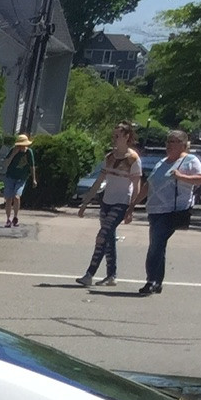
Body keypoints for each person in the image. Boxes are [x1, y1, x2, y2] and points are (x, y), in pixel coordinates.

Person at [138, 129, 201, 295]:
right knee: (158, 246)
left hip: (172, 211)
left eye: (174, 141)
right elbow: (149, 184)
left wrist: (181, 176)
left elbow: (200, 179)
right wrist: (132, 205)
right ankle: (157, 282)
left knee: (156, 245)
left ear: (183, 144)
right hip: (155, 210)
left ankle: (151, 280)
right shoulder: (162, 162)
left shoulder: (190, 160)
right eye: (168, 141)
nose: (169, 145)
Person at [76, 122, 143, 287]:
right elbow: (99, 182)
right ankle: (111, 275)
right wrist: (85, 203)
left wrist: (131, 208)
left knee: (102, 236)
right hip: (106, 201)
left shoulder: (133, 159)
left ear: (127, 137)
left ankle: (89, 274)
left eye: (118, 136)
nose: (115, 139)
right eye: (114, 136)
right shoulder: (110, 157)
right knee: (109, 238)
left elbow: (136, 186)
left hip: (121, 202)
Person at [2, 135, 35, 227]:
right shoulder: (13, 150)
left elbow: (32, 167)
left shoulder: (29, 152)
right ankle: (8, 219)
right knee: (8, 198)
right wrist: (13, 154)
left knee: (17, 197)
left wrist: (34, 179)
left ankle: (15, 217)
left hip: (21, 178)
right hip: (10, 177)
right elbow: (6, 164)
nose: (22, 147)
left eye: (24, 145)